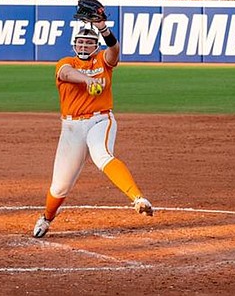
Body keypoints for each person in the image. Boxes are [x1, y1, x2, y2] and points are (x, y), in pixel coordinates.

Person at [32, 12, 153, 239]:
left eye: (89, 42)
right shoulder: (66, 63)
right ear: (74, 44)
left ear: (95, 45)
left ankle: (138, 199)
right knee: (59, 187)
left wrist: (104, 29)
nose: (85, 46)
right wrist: (87, 79)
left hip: (100, 119)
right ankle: (46, 218)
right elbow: (66, 73)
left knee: (102, 155)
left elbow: (114, 51)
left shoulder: (102, 61)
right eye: (81, 42)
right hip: (71, 128)